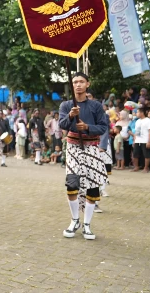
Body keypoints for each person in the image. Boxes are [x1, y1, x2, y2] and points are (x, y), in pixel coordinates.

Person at [59, 72, 108, 240]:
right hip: (73, 148)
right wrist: (71, 116)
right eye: (75, 82)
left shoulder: (95, 106)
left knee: (92, 187)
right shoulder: (66, 105)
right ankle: (75, 220)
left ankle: (87, 224)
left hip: (92, 148)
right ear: (72, 86)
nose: (78, 85)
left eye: (81, 81)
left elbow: (103, 127)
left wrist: (87, 127)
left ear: (88, 84)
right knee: (71, 184)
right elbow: (62, 125)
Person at [129, 107, 150, 173]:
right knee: (135, 154)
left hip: (145, 140)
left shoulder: (149, 121)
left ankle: (146, 168)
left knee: (146, 155)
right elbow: (136, 132)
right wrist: (134, 140)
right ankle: (136, 167)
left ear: (142, 113)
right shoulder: (137, 121)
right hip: (138, 140)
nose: (136, 113)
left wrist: (149, 141)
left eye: (137, 112)